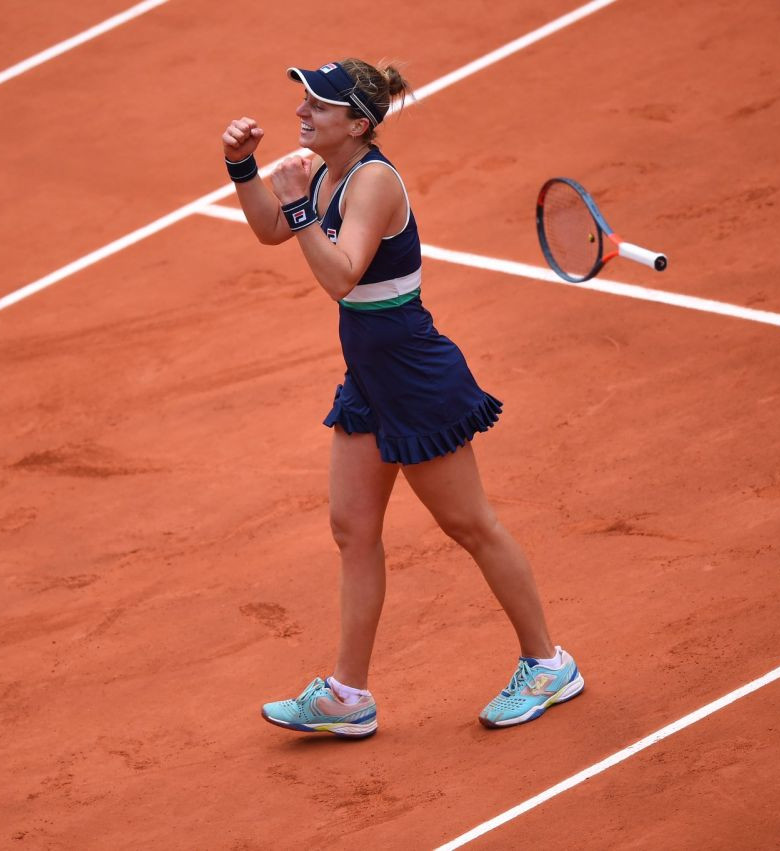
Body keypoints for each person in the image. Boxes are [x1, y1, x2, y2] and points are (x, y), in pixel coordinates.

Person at [219, 59, 582, 737]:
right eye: (304, 100)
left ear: (358, 123)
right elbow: (271, 230)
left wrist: (299, 207)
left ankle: (547, 662)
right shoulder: (324, 169)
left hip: (415, 378)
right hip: (371, 379)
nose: (302, 112)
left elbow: (340, 273)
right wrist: (243, 168)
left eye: (319, 106)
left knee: (469, 524)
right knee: (352, 530)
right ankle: (347, 695)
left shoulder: (375, 182)